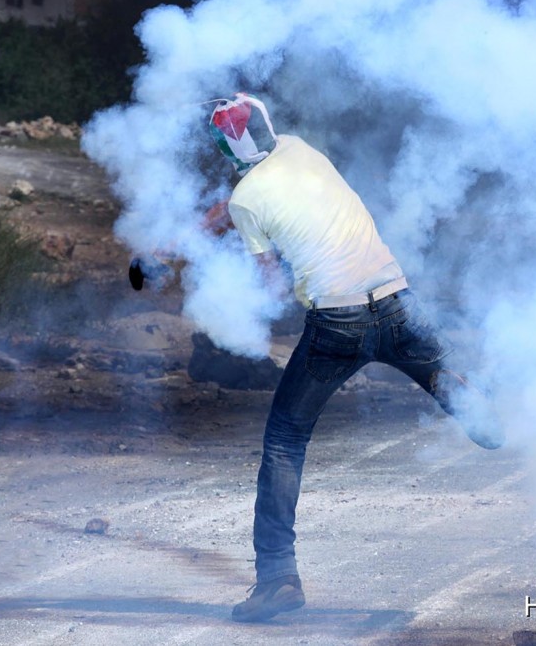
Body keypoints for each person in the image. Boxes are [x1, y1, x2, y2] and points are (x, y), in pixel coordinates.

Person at [203, 92, 503, 623]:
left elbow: (269, 283)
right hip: (396, 301)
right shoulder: (302, 150)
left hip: (335, 323)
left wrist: (245, 269)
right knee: (451, 385)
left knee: (285, 441)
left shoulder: (246, 199)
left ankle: (276, 580)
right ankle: (495, 410)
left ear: (227, 151)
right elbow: (238, 202)